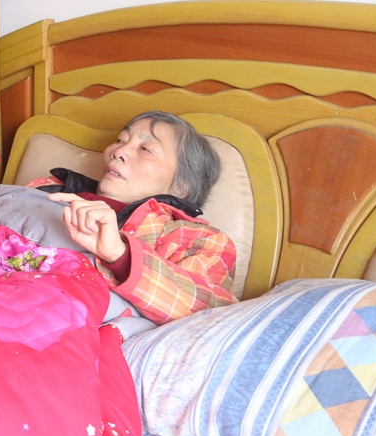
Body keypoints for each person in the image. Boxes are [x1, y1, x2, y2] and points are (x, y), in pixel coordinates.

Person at [37, 111, 236, 323]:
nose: (118, 151)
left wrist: (119, 255)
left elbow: (210, 313)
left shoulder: (200, 239)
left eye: (146, 149)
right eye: (120, 140)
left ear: (181, 187)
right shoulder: (49, 186)